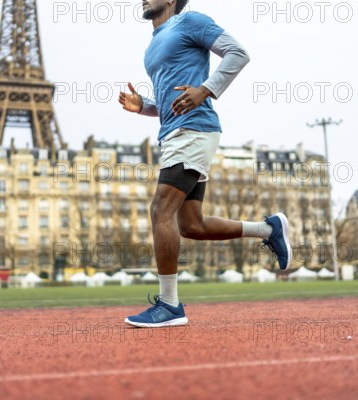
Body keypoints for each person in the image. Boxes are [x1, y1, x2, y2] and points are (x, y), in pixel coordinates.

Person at [118, 0, 292, 328]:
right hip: (174, 134)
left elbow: (238, 53)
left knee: (160, 211)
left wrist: (207, 90)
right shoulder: (152, 47)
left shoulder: (190, 21)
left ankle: (169, 305)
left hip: (194, 131)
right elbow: (172, 101)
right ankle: (269, 229)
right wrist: (144, 106)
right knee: (190, 225)